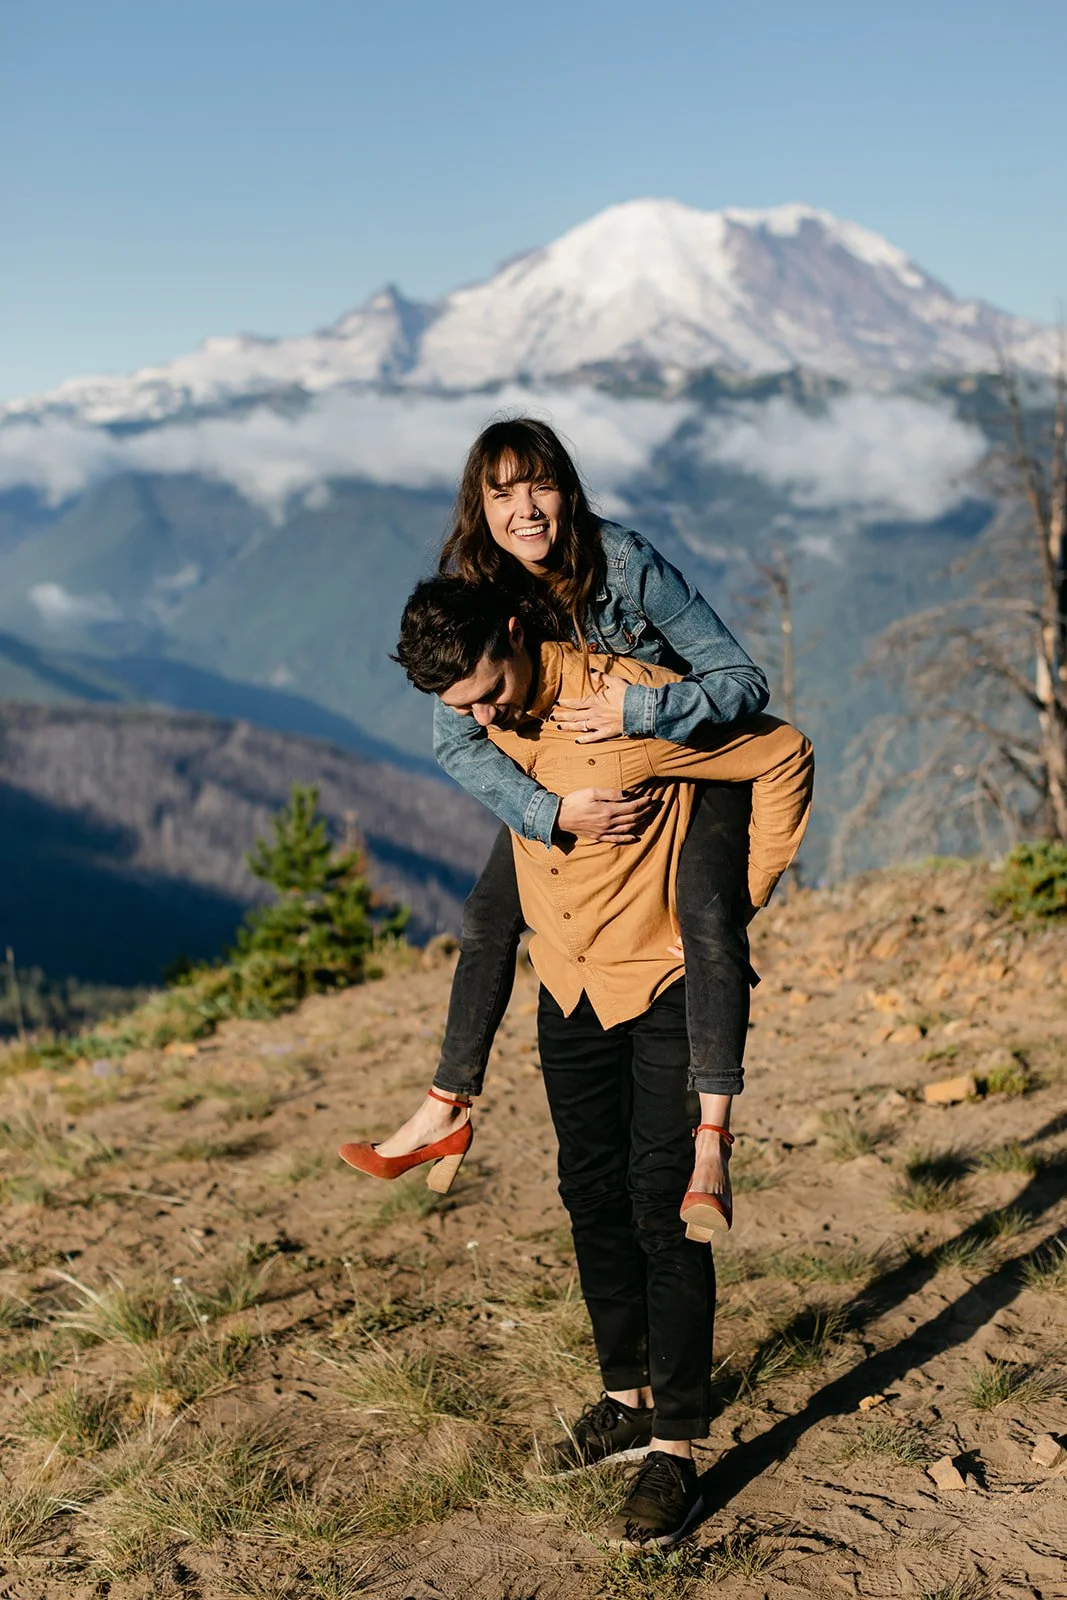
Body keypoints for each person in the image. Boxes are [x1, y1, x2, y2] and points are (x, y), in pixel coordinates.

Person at [341, 578, 813, 1549]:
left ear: (516, 633)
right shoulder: (492, 721)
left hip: (658, 984)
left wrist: (737, 897)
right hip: (567, 987)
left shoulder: (625, 703)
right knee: (591, 1197)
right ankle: (625, 1399)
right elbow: (491, 791)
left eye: (485, 691)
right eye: (461, 706)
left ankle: (675, 1449)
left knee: (661, 1210)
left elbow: (781, 752)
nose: (478, 717)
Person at [372, 418, 770, 1189]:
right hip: (564, 783)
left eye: (540, 488)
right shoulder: (477, 593)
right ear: (479, 508)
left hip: (685, 758)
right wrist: (548, 813)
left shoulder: (624, 563)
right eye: (502, 495)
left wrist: (642, 712)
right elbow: (457, 742)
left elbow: (741, 681)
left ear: (568, 492)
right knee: (488, 915)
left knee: (706, 916)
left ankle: (711, 1139)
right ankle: (445, 1106)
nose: (524, 510)